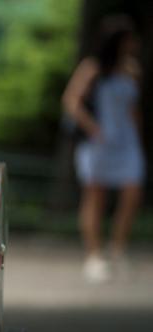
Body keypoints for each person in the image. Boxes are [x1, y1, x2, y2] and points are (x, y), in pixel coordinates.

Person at [62, 15, 146, 283]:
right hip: (98, 142)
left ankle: (117, 248)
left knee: (132, 193)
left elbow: (133, 108)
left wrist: (138, 137)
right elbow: (71, 101)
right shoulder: (93, 67)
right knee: (95, 196)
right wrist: (94, 129)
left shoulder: (132, 70)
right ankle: (94, 255)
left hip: (127, 142)